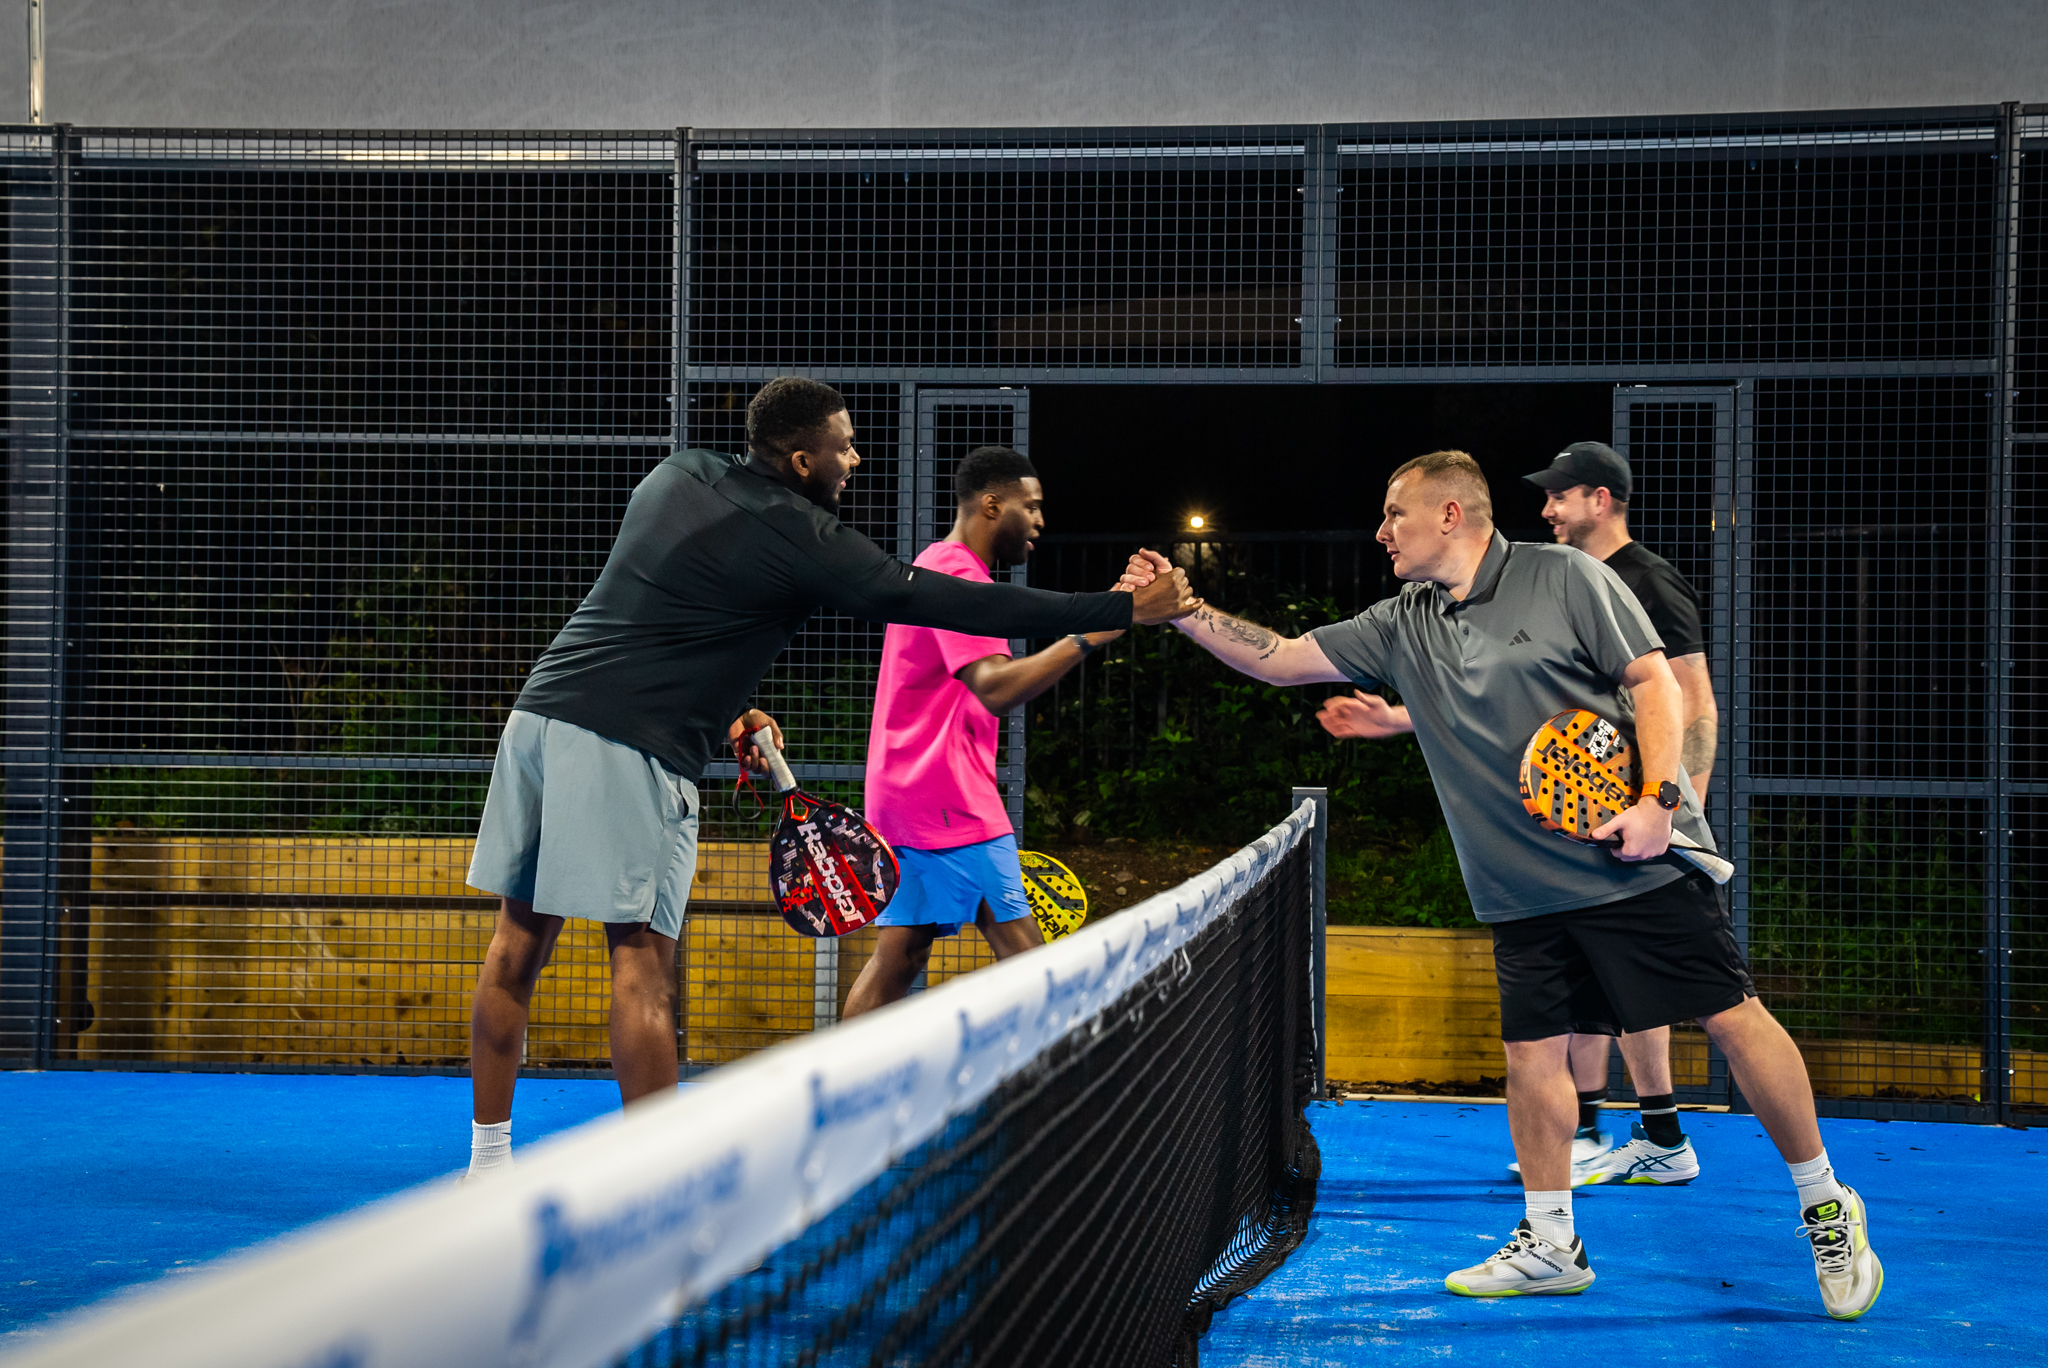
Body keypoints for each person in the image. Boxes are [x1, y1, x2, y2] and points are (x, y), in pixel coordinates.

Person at [1126, 450, 1880, 1318]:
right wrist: (1185, 611)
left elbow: (1655, 683)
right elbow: (1283, 658)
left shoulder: (1564, 577)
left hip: (1631, 864)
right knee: (1531, 1055)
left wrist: (1659, 803)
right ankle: (1552, 1242)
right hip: (1521, 892)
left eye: (1395, 514)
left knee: (1730, 1018)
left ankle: (1826, 1201)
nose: (1381, 533)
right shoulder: (1402, 621)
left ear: (1450, 515)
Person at [461, 378, 1198, 1178]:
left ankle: (486, 1165)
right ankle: (661, 1187)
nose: (855, 459)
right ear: (802, 459)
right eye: (843, 446)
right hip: (630, 747)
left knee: (515, 946)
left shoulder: (679, 473)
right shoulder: (800, 533)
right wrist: (1118, 611)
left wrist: (730, 710)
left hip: (540, 719)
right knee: (641, 964)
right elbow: (939, 601)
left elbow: (668, 608)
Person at [1319, 441, 1719, 1188]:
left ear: (1600, 499)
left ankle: (1654, 1133)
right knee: (1589, 1004)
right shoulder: (1542, 577)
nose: (1547, 508)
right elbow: (1520, 696)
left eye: (1561, 495)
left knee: (1653, 995)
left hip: (1643, 820)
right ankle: (1604, 1130)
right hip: (1573, 824)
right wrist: (1401, 718)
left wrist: (1669, 802)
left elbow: (1686, 695)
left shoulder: (1637, 579)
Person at [844, 446, 1118, 1016]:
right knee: (1029, 962)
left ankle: (837, 1079)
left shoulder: (937, 565)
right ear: (992, 505)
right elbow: (995, 687)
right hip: (947, 800)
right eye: (1031, 506)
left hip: (911, 794)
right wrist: (1088, 635)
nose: (1040, 520)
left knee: (900, 956)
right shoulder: (957, 576)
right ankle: (1072, 1074)